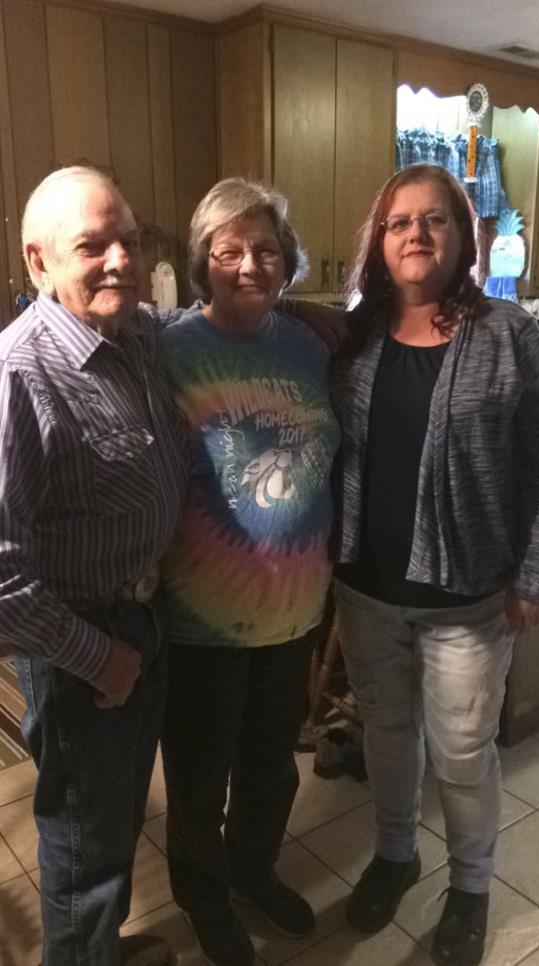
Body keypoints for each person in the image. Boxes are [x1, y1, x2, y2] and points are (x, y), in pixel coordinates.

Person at [326, 163, 539, 966]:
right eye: (398, 223)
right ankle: (393, 854)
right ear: (378, 244)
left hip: (467, 595)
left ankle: (471, 886)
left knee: (460, 751)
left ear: (463, 235)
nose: (415, 234)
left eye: (434, 220)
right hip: (365, 585)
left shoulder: (507, 333)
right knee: (386, 733)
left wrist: (532, 573)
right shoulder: (354, 332)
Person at [0, 166, 188, 966]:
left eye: (130, 240)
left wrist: (322, 318)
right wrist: (97, 656)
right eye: (92, 246)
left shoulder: (140, 332)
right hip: (85, 642)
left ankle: (97, 952)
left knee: (110, 821)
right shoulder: (19, 376)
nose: (120, 260)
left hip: (144, 617)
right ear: (38, 262)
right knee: (82, 841)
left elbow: (224, 312)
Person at [159, 178, 340, 966]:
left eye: (265, 249)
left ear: (287, 262)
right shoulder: (167, 348)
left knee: (271, 766)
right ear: (204, 260)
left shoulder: (305, 343)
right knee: (199, 780)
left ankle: (253, 870)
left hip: (296, 611)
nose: (247, 264)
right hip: (201, 617)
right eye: (227, 250)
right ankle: (204, 899)